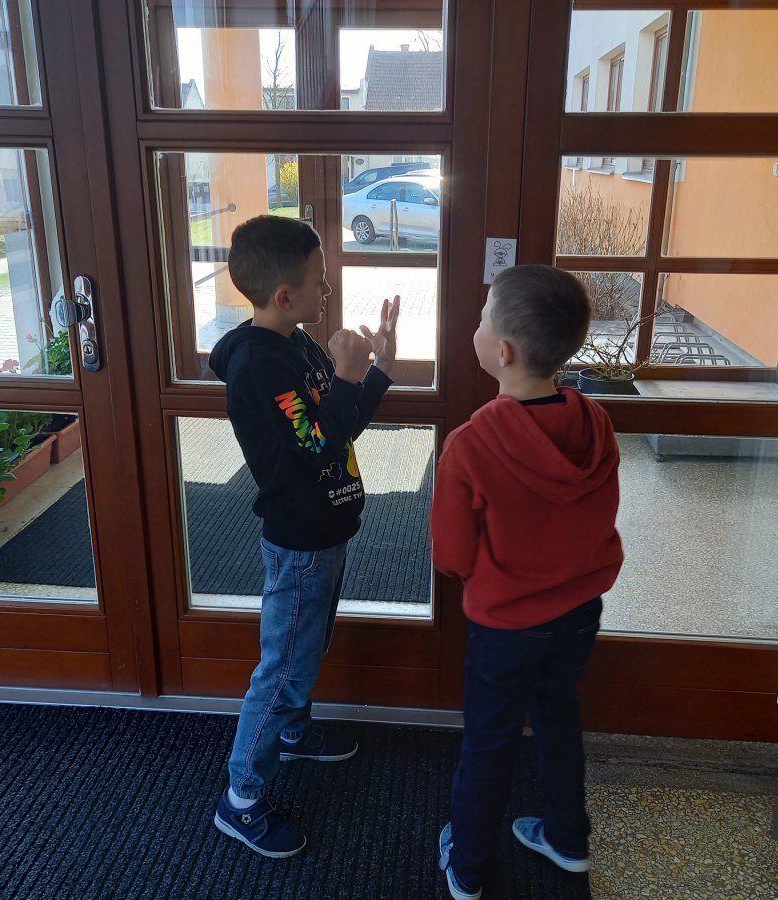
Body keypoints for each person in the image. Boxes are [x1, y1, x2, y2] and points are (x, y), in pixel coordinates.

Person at [207, 215, 400, 858]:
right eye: (320, 281)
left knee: (306, 649)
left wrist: (376, 370)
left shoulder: (300, 345)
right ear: (284, 295)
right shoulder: (259, 365)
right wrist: (345, 376)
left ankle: (291, 732)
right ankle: (240, 798)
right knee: (284, 663)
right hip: (299, 540)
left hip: (327, 527)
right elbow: (317, 444)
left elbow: (342, 430)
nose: (328, 291)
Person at [430, 264, 624, 899]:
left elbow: (452, 555)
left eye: (483, 316)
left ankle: (466, 866)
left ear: (503, 351)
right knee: (558, 717)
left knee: (489, 742)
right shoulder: (595, 423)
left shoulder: (471, 444)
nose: (477, 325)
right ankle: (568, 839)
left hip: (506, 626)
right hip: (579, 611)